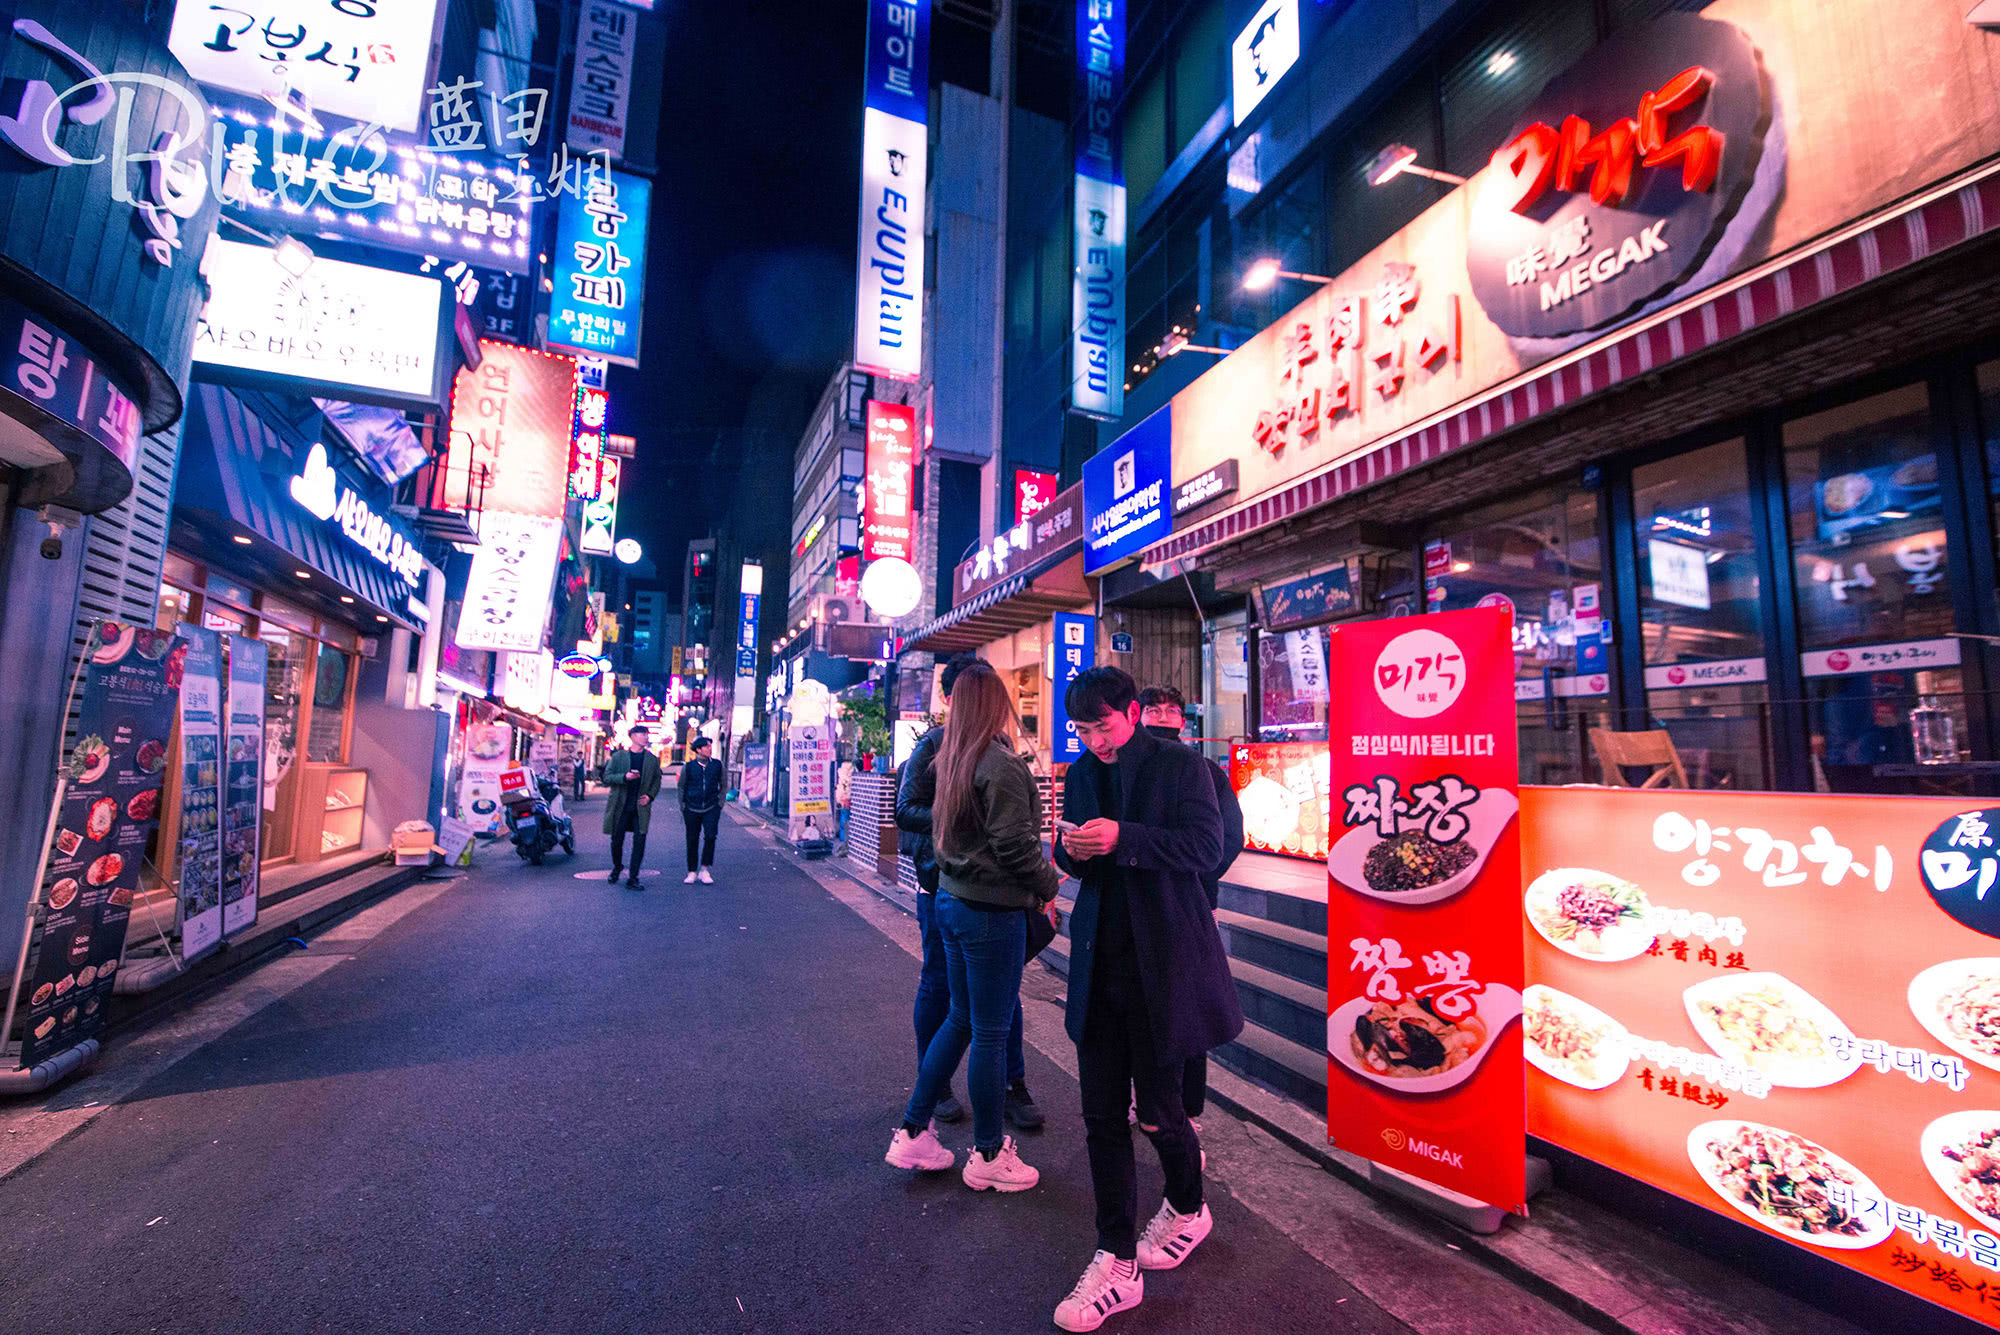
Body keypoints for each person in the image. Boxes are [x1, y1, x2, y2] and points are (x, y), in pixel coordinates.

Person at [1050, 666, 1242, 1333]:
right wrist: (1070, 850)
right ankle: (1116, 1259)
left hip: (1165, 967)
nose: (1094, 740)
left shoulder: (1181, 765)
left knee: (1161, 1112)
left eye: (1102, 725)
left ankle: (1188, 1206)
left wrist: (1123, 838)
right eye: (1082, 728)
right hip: (1099, 964)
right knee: (1101, 1114)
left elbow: (1208, 846)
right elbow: (1074, 856)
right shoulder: (1078, 772)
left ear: (1131, 712)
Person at [884, 664, 1059, 1191]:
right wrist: (1049, 882)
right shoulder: (997, 762)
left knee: (961, 1018)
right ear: (995, 702)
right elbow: (1013, 844)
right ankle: (986, 1154)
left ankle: (915, 1128)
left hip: (953, 902)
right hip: (990, 911)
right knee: (989, 1030)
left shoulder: (952, 755)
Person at [1137, 685, 1246, 1131]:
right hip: (1139, 903)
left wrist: (1198, 880)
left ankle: (1187, 1108)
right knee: (1142, 1002)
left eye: (1170, 711)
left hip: (1193, 903)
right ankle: (1146, 1097)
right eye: (1153, 710)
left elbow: (1228, 837)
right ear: (1136, 715)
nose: (1163, 717)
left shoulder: (1203, 769)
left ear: (1183, 721)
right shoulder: (1124, 766)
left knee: (1189, 1004)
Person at [602, 727, 662, 888]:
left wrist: (650, 796)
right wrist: (624, 777)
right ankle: (617, 867)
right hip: (620, 806)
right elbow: (607, 777)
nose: (645, 737)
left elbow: (657, 779)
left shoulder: (652, 760)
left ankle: (633, 877)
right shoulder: (619, 757)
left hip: (640, 807)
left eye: (646, 734)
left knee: (640, 840)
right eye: (642, 734)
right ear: (633, 737)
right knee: (616, 840)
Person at [680, 734, 725, 884]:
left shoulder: (717, 765)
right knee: (692, 839)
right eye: (706, 746)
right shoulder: (689, 767)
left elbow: (724, 785)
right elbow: (682, 787)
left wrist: (720, 804)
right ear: (698, 749)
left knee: (711, 836)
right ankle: (692, 871)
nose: (709, 749)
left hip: (712, 806)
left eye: (710, 746)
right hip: (691, 808)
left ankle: (705, 869)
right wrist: (683, 806)